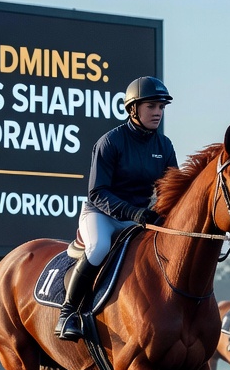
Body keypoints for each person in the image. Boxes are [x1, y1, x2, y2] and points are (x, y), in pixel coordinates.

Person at [56, 76, 178, 341]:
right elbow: (97, 192)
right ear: (133, 109)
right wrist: (133, 213)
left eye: (161, 107)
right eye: (151, 107)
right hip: (101, 215)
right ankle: (68, 313)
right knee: (99, 247)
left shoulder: (164, 146)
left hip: (137, 218)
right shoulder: (110, 142)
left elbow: (171, 190)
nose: (158, 112)